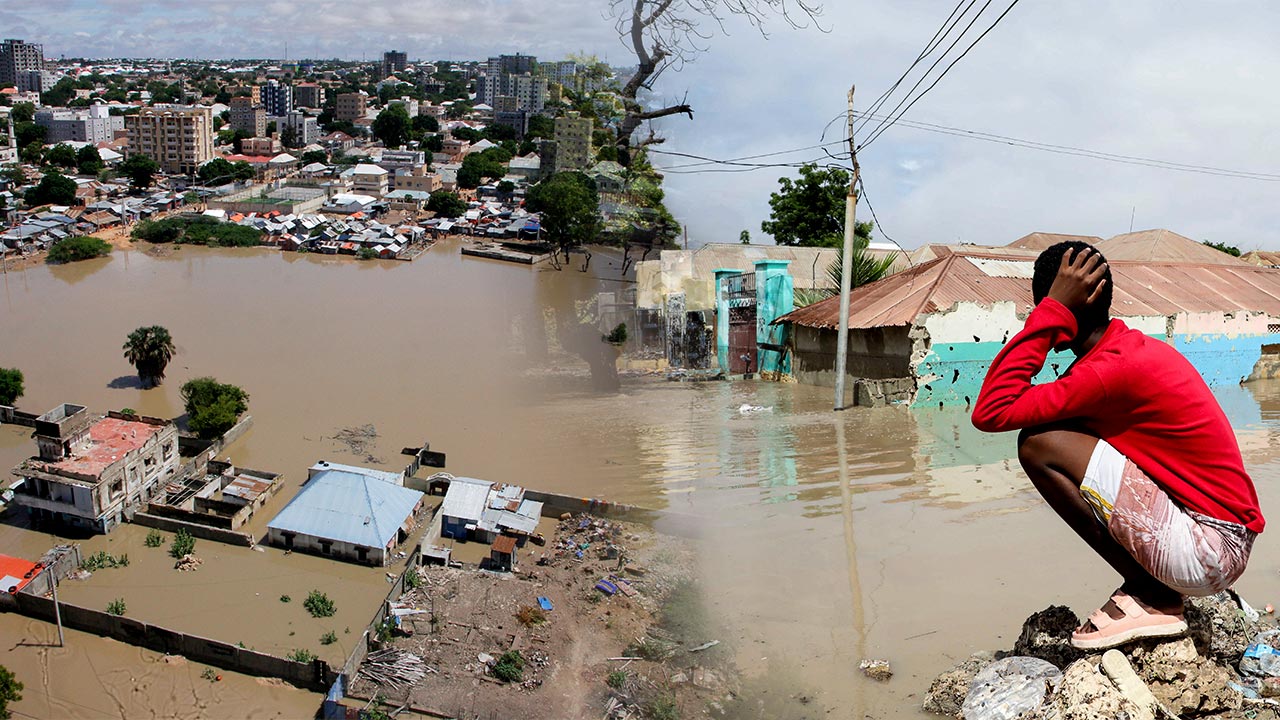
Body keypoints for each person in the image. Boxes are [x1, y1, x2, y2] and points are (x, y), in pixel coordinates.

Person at [971, 241, 1264, 650]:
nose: (1038, 314)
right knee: (1055, 430)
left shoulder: (1110, 370)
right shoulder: (1118, 353)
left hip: (1207, 553)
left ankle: (1153, 593)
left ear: (1066, 305)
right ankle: (1152, 586)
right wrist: (1057, 308)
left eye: (1043, 305)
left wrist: (1051, 312)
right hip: (1221, 542)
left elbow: (991, 410)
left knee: (1038, 444)